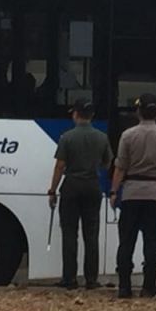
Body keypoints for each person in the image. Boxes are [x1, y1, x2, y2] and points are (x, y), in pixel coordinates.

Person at [110, 94, 156, 299]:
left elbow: (120, 167)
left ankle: (124, 286)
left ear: (138, 112)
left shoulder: (127, 135)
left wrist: (114, 191)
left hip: (131, 191)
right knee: (153, 241)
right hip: (155, 193)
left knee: (126, 241)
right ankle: (149, 286)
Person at [48, 98, 113, 290]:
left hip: (71, 186)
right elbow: (108, 162)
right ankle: (91, 279)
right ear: (92, 115)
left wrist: (52, 190)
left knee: (70, 234)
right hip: (92, 186)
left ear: (75, 114)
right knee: (91, 234)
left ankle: (69, 279)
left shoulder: (67, 137)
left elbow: (60, 166)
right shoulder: (102, 137)